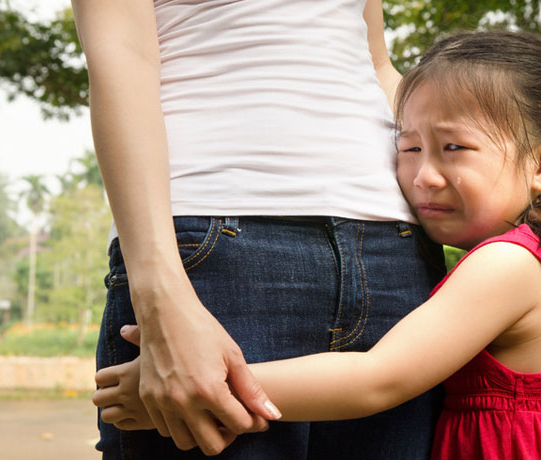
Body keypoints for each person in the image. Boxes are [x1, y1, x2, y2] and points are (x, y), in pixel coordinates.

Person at [93, 30, 541, 459]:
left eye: (454, 148)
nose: (423, 176)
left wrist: (209, 388)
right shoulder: (526, 259)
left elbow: (377, 378)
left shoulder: (508, 265)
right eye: (410, 146)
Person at [71, 0, 446, 458]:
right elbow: (121, 52)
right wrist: (159, 297)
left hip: (395, 249)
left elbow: (375, 63)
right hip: (214, 247)